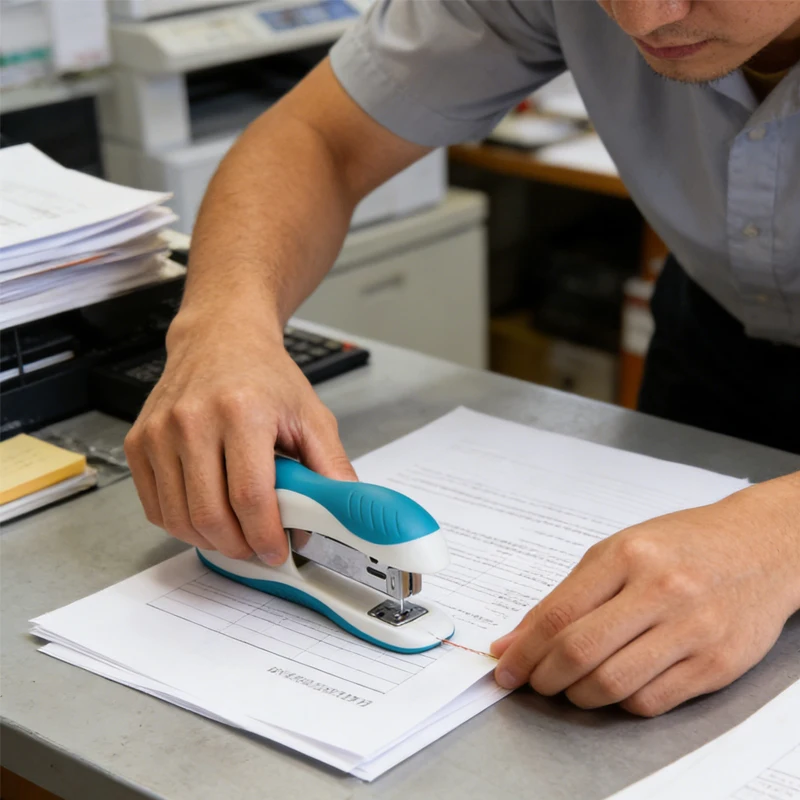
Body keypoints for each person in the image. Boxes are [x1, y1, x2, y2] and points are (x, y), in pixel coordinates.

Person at [124, 0, 800, 718]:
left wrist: (778, 538)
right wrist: (223, 327)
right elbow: (321, 137)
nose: (640, 18)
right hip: (719, 323)